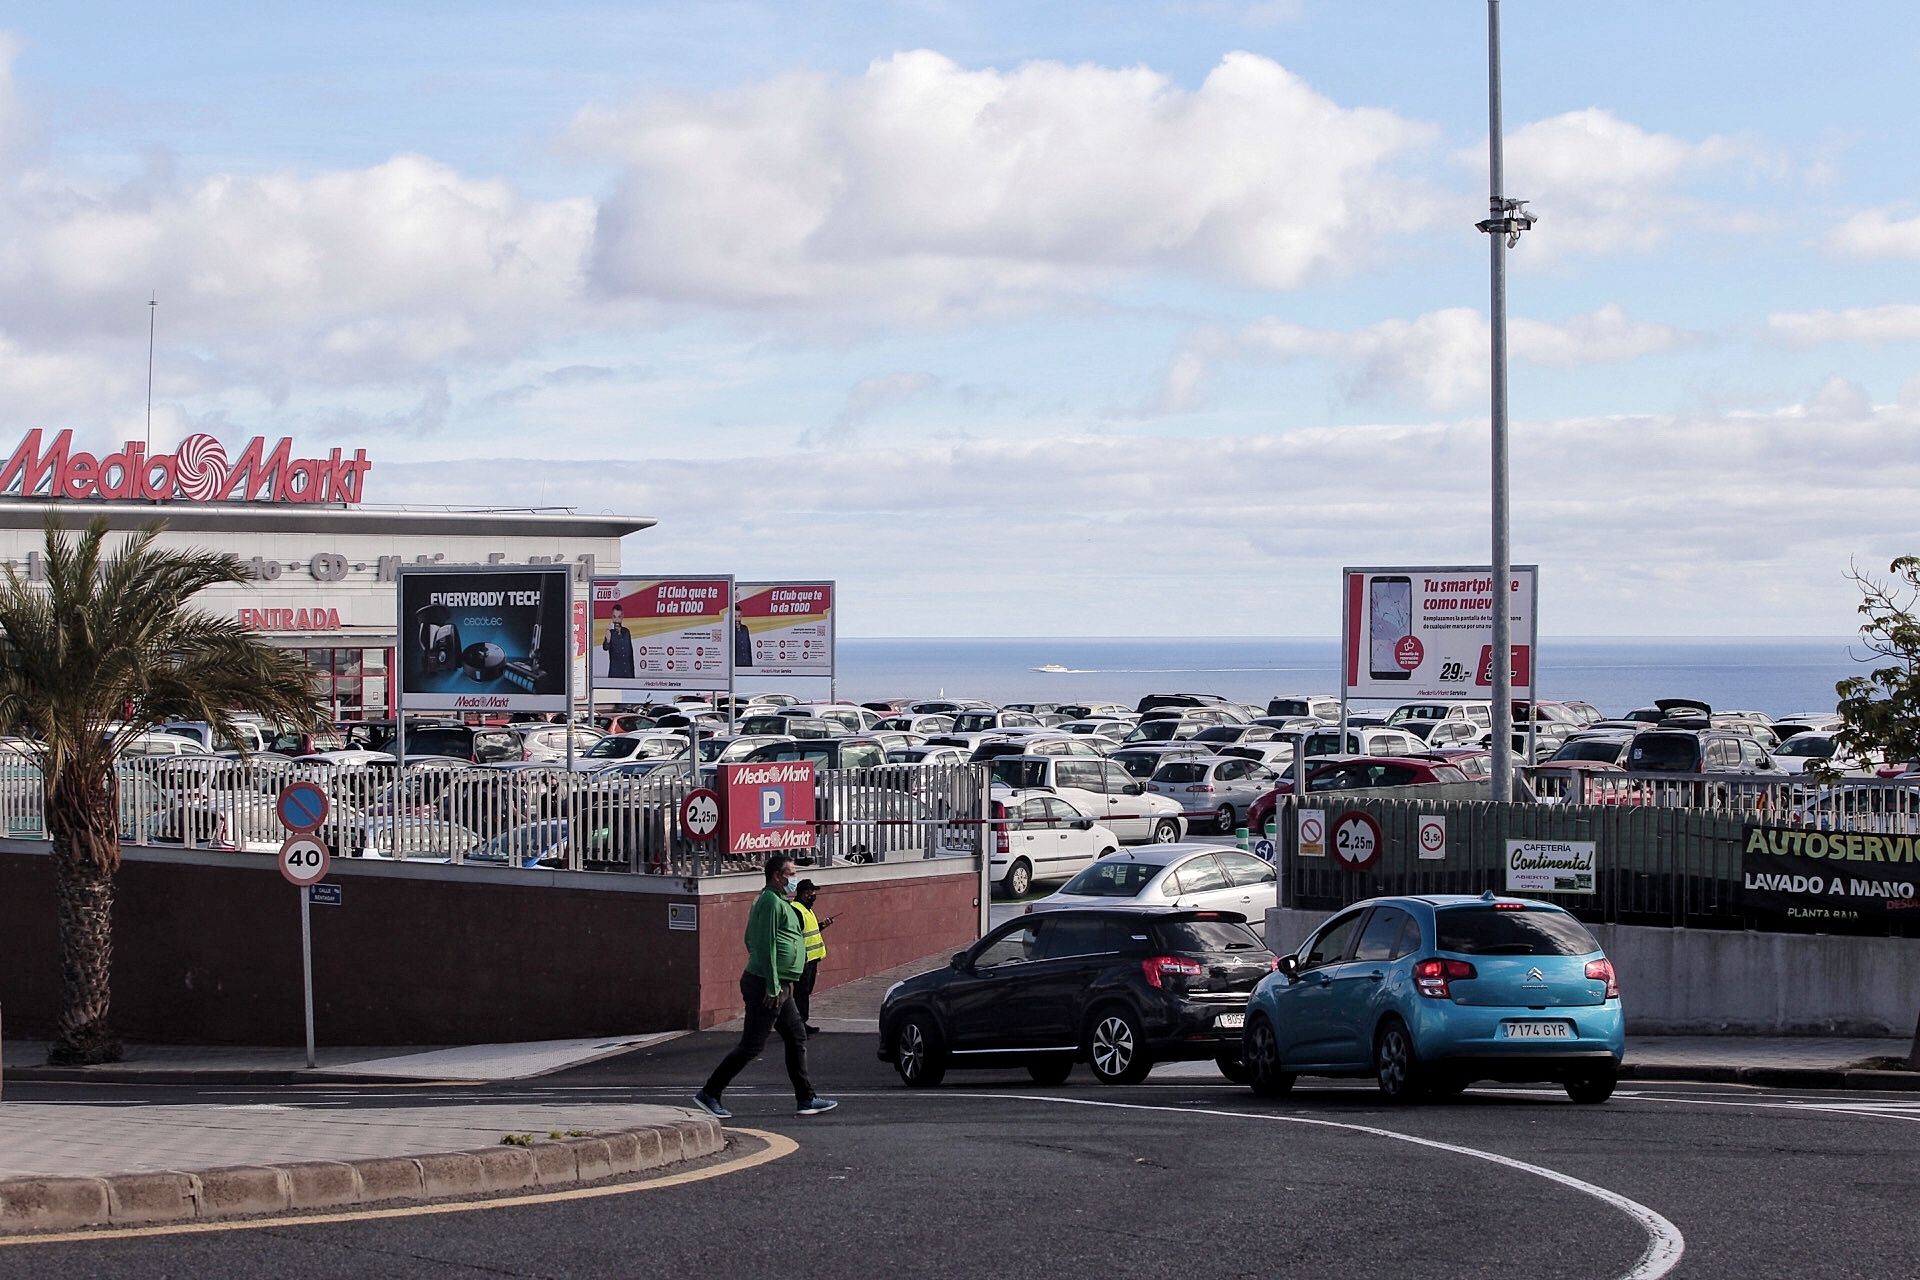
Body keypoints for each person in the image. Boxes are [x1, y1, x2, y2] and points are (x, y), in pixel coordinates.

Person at [694, 854, 838, 1119]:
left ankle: (806, 1098)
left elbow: (751, 938)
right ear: (777, 876)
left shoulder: (778, 902)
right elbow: (763, 944)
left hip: (779, 984)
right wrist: (772, 985)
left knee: (796, 1036)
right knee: (752, 1045)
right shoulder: (770, 902)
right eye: (791, 874)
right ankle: (710, 1092)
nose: (794, 878)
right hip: (767, 986)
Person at [789, 879, 835, 1033]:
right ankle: (797, 1025)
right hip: (803, 960)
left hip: (812, 959)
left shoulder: (807, 909)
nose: (813, 895)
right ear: (803, 893)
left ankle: (802, 1022)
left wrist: (823, 925)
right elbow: (794, 936)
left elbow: (810, 932)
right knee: (800, 993)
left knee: (805, 992)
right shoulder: (796, 909)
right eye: (811, 892)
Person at [602, 603, 635, 680]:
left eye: (619, 617)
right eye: (614, 617)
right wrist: (608, 639)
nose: (616, 620)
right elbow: (605, 647)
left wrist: (633, 677)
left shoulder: (627, 632)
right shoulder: (610, 632)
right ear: (611, 617)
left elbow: (630, 655)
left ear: (622, 617)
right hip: (615, 676)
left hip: (628, 675)